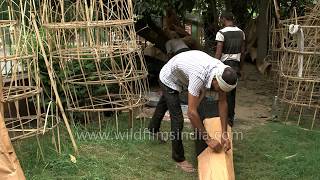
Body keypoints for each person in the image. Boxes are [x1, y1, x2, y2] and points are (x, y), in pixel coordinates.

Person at [148, 50, 238, 172]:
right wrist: (208, 139)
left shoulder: (223, 70)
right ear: (216, 80)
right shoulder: (199, 75)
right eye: (220, 88)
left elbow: (223, 102)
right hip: (168, 78)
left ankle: (152, 129)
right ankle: (178, 158)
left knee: (164, 103)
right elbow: (191, 112)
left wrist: (224, 134)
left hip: (182, 74)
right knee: (177, 119)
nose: (220, 91)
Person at [215, 11, 245, 126]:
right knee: (232, 93)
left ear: (223, 19)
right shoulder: (241, 33)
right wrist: (241, 68)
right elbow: (243, 52)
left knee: (223, 93)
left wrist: (214, 65)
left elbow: (218, 53)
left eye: (221, 20)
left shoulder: (221, 33)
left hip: (224, 65)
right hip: (236, 65)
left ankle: (224, 118)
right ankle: (230, 118)